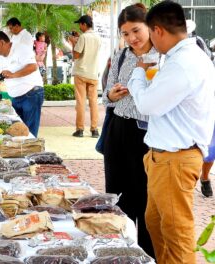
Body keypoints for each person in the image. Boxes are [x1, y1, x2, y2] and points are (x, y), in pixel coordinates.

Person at [127, 2, 215, 263]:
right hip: (164, 158)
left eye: (148, 34)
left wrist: (139, 72)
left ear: (158, 31)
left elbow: (146, 104)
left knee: (177, 236)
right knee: (157, 225)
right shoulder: (180, 57)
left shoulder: (183, 63)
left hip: (174, 160)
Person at [102, 3, 156, 257]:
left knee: (144, 197)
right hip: (117, 129)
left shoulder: (162, 56)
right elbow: (107, 93)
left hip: (146, 134)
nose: (132, 38)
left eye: (136, 31)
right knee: (117, 194)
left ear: (149, 26)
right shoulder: (121, 54)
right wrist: (111, 94)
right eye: (125, 34)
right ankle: (118, 252)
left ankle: (145, 254)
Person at [185, 19, 214, 197]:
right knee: (199, 147)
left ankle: (204, 177)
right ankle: (194, 179)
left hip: (209, 103)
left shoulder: (201, 44)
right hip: (197, 104)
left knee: (211, 149)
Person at [68, 15, 101, 138]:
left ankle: (80, 129)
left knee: (81, 102)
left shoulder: (83, 37)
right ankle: (94, 129)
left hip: (81, 73)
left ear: (84, 24)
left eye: (80, 24)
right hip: (93, 73)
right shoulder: (97, 37)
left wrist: (73, 43)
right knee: (93, 102)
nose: (79, 27)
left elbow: (76, 55)